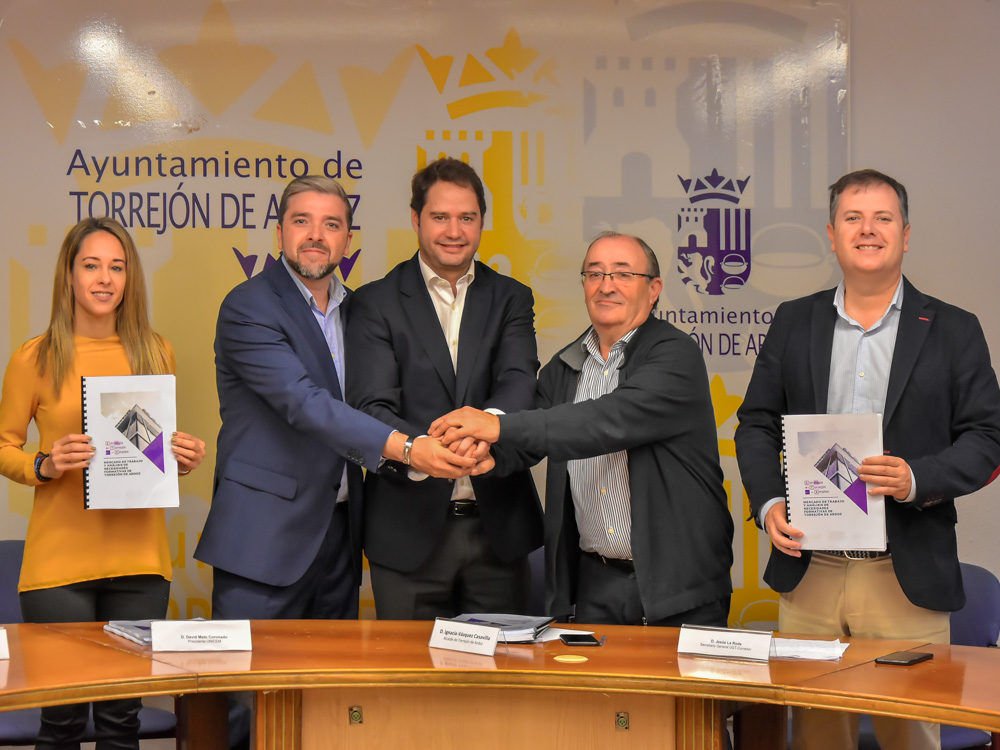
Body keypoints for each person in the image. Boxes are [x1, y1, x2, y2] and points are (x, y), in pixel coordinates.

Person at [734, 169, 1000, 750]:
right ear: (832, 235)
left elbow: (988, 438)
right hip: (811, 570)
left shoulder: (954, 329)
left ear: (906, 234)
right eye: (852, 218)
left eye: (883, 218)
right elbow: (755, 423)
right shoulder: (793, 320)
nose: (868, 229)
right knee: (815, 735)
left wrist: (916, 477)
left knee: (910, 735)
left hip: (904, 574)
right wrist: (770, 501)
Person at [195, 175, 481, 623]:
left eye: (331, 224)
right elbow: (304, 403)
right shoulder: (249, 306)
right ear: (279, 233)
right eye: (301, 221)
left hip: (341, 536)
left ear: (347, 240)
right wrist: (409, 448)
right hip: (264, 538)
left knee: (331, 671)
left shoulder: (358, 312)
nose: (316, 235)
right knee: (254, 671)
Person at [430, 231, 734, 627]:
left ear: (654, 289)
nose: (606, 286)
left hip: (678, 587)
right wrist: (485, 455)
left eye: (623, 274)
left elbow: (603, 422)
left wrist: (495, 425)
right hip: (596, 582)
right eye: (595, 274)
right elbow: (528, 439)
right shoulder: (565, 365)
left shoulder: (675, 354)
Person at [0, 217, 207, 750]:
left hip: (140, 563)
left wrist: (179, 459)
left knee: (121, 723)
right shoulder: (34, 357)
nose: (104, 278)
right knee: (62, 723)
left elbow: (146, 450)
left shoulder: (156, 352)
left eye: (117, 267)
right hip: (58, 569)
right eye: (91, 265)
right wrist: (44, 465)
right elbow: (4, 446)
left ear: (129, 277)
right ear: (68, 275)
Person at [346, 157, 543, 620]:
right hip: (406, 533)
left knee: (502, 666)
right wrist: (422, 449)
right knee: (409, 668)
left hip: (499, 529)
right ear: (416, 220)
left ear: (481, 222)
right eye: (440, 217)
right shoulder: (375, 301)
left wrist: (484, 430)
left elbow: (519, 381)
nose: (454, 231)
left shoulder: (512, 297)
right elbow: (370, 403)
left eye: (467, 217)